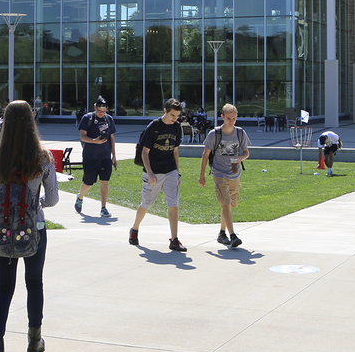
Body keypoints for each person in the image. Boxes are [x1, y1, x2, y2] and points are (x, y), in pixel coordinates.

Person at [0, 100, 59, 352]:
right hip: (33, 227)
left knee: (4, 288)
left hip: (2, 229)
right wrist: (34, 209)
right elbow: (52, 198)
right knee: (34, 283)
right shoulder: (43, 157)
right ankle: (34, 341)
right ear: (31, 121)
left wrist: (5, 212)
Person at [129, 98, 186, 252]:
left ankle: (174, 239)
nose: (175, 118)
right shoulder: (153, 127)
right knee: (146, 204)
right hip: (153, 171)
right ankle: (134, 229)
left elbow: (175, 151)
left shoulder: (176, 127)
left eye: (177, 116)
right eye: (172, 115)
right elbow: (144, 153)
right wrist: (150, 173)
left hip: (170, 171)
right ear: (165, 111)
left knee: (173, 204)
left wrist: (177, 173)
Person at [198, 103, 250, 249]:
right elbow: (205, 154)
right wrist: (202, 175)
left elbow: (246, 152)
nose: (231, 121)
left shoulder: (240, 133)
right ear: (222, 117)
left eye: (234, 118)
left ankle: (222, 233)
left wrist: (241, 158)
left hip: (234, 172)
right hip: (218, 172)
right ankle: (233, 236)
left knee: (230, 205)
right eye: (228, 118)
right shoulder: (215, 134)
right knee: (226, 203)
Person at [74, 97, 117, 218]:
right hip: (90, 157)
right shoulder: (87, 118)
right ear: (95, 108)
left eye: (103, 111)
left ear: (107, 109)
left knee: (105, 181)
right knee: (88, 183)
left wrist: (114, 155)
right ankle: (80, 197)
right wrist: (94, 141)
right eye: (99, 110)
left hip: (105, 157)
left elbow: (112, 138)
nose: (101, 113)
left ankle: (103, 208)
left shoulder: (109, 119)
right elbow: (82, 136)